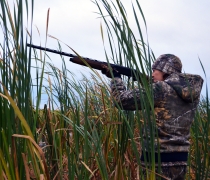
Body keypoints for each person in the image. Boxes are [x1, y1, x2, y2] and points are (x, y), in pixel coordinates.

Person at [102, 54, 203, 180]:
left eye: (155, 70)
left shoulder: (160, 88)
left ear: (166, 70)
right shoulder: (191, 93)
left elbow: (121, 100)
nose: (152, 74)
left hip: (157, 160)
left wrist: (115, 77)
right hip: (180, 159)